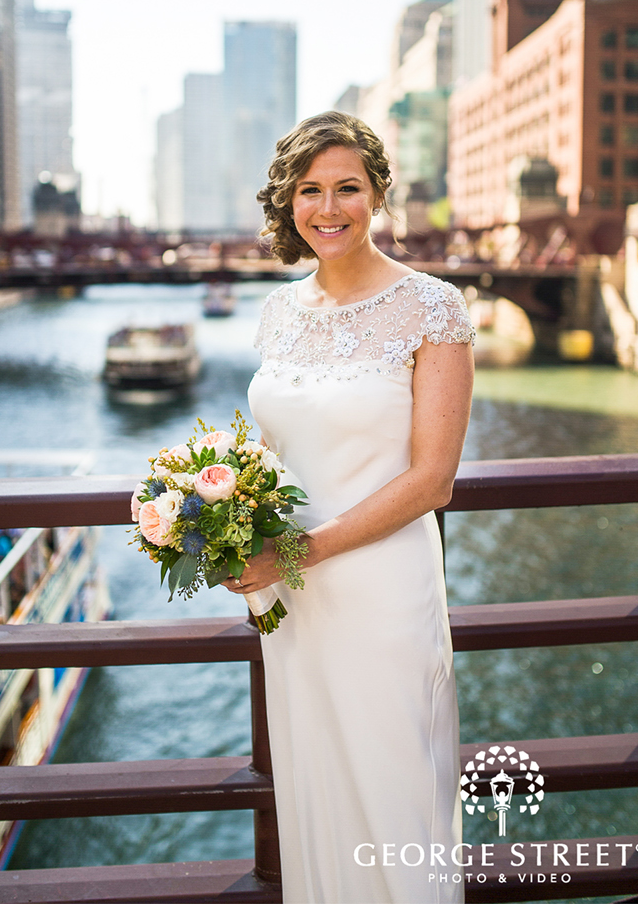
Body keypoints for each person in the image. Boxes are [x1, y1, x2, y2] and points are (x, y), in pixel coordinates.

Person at [232, 110, 475, 901]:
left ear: (377, 196)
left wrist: (299, 551)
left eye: (347, 188)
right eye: (310, 190)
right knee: (317, 792)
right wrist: (217, 508)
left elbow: (433, 480)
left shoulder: (433, 308)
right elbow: (271, 447)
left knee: (395, 793)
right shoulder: (277, 314)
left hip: (381, 590)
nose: (328, 208)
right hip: (289, 600)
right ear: (288, 203)